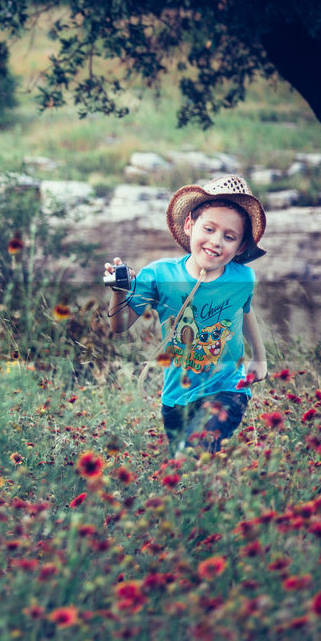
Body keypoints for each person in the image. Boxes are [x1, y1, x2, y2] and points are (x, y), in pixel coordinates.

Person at [104, 175, 268, 456]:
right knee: (188, 472)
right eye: (209, 228)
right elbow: (119, 326)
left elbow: (245, 310)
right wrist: (119, 292)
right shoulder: (159, 275)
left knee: (192, 453)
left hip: (227, 389)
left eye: (229, 237)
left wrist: (259, 357)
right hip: (176, 397)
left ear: (240, 247)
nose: (216, 242)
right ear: (190, 225)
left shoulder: (242, 277)